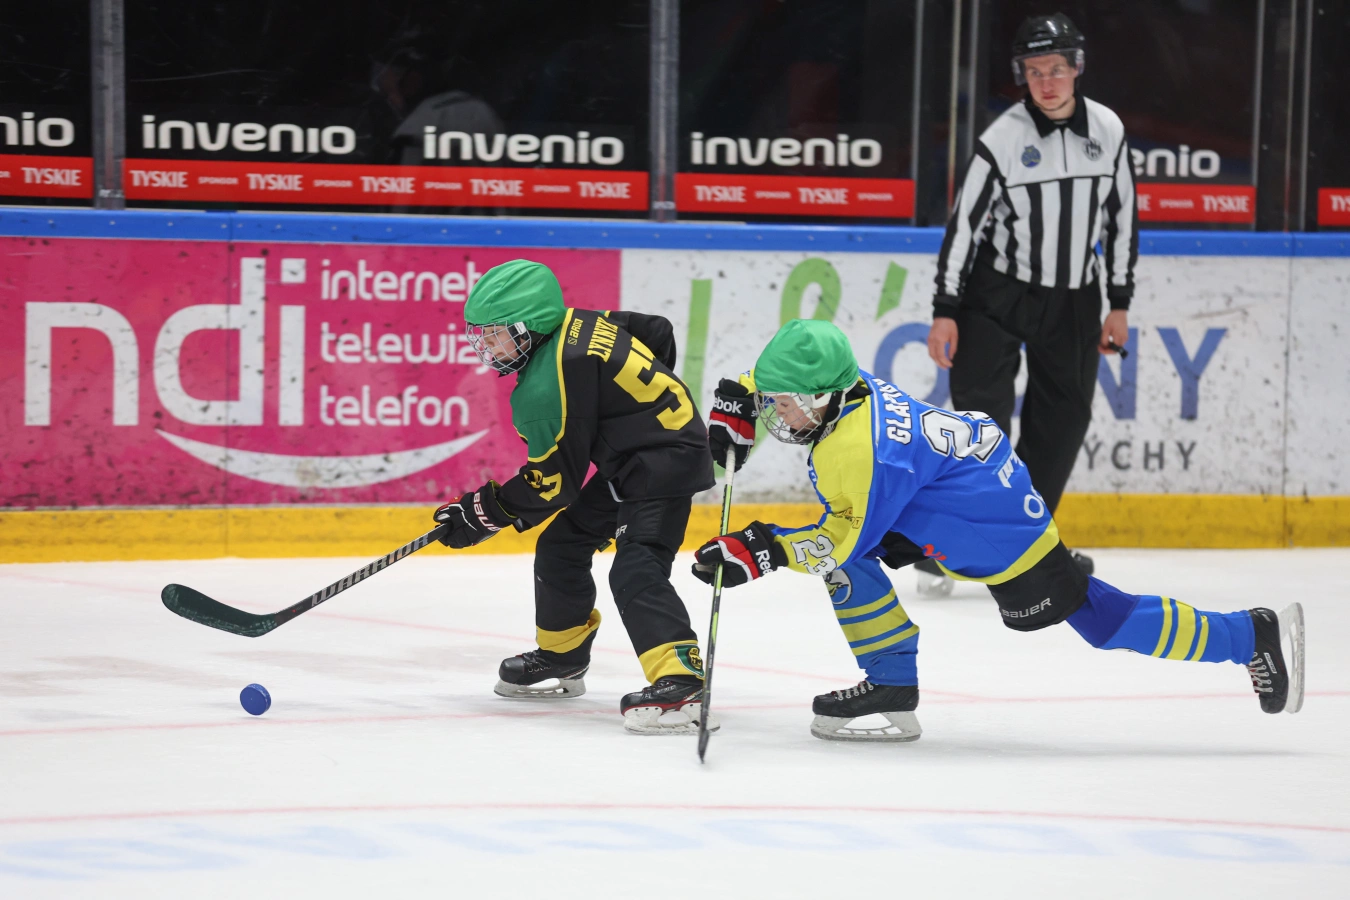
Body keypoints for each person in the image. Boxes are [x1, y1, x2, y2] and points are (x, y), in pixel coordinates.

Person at [696, 320, 1304, 743]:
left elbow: (838, 540)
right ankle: (890, 683)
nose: (777, 414)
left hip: (994, 528)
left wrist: (762, 549)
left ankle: (1248, 634)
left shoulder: (861, 451)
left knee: (1102, 621)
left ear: (824, 398)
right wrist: (739, 402)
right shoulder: (846, 383)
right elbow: (782, 374)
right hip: (947, 492)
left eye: (783, 405)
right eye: (773, 400)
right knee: (848, 566)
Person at [433, 259, 717, 735]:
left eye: (499, 335)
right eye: (483, 335)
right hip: (634, 459)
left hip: (665, 465)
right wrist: (639, 410)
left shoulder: (547, 384)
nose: (488, 347)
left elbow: (553, 483)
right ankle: (563, 654)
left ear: (532, 326)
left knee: (636, 566)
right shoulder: (580, 322)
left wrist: (483, 513)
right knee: (562, 545)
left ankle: (681, 679)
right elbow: (656, 329)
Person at [923, 12, 1138, 596]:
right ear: (1022, 75)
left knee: (1064, 420)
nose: (1047, 82)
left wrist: (1119, 302)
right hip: (997, 294)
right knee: (980, 424)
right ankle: (955, 541)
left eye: (1057, 69)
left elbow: (1122, 220)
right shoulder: (1003, 138)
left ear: (1077, 68)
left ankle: (1028, 542)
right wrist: (946, 308)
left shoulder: (1109, 130)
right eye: (1035, 71)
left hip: (1074, 299)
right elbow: (963, 229)